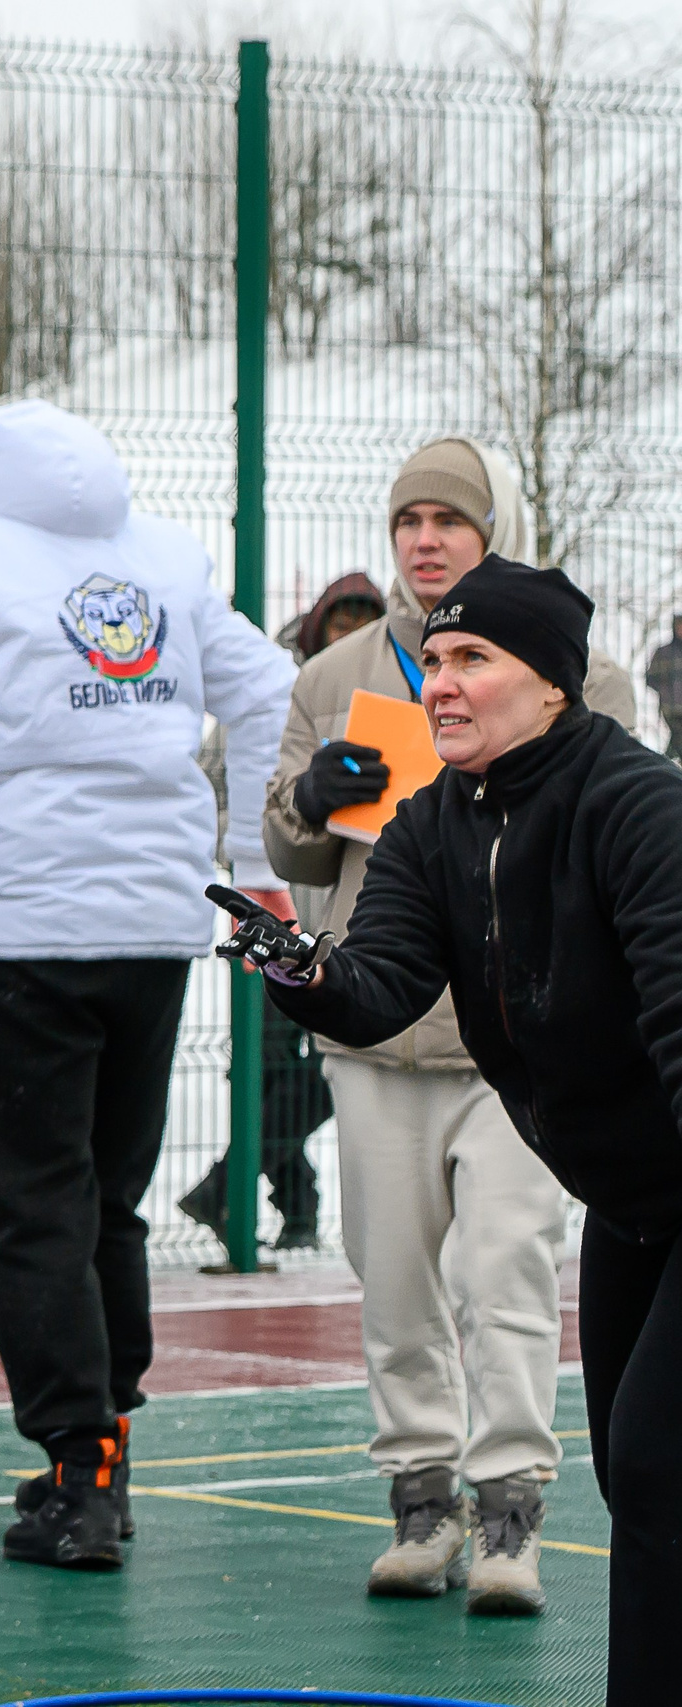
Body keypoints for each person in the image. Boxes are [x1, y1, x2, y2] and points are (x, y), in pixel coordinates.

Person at [225, 561, 682, 1698]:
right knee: (640, 1482)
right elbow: (381, 980)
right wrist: (307, 972)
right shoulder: (434, 821)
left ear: (554, 685)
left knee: (654, 1458)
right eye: (432, 658)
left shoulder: (639, 808)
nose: (439, 682)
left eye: (473, 659)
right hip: (635, 1201)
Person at [0, 400, 294, 1570]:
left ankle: (76, 1463)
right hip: (154, 917)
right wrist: (251, 860)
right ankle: (105, 1442)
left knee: (30, 1198)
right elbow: (268, 686)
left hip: (21, 920)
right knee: (108, 1195)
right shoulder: (163, 555)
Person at [259, 439, 632, 1608]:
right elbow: (286, 841)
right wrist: (310, 800)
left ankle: (510, 1502)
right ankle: (421, 1493)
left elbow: (611, 826)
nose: (425, 540)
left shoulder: (582, 672)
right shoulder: (336, 672)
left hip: (516, 1039)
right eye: (407, 520)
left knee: (503, 1265)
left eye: (449, 520)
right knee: (392, 1277)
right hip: (379, 1028)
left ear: (493, 531)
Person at [177, 570, 387, 1252]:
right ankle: (290, 1205)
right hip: (267, 910)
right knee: (263, 1062)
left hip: (349, 909)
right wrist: (253, 853)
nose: (351, 637)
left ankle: (231, 1188)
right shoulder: (277, 694)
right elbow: (208, 787)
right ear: (318, 628)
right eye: (341, 624)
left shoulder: (388, 693)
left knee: (329, 1059)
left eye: (364, 626)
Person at [645, 614, 682, 759]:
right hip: (671, 707)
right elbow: (650, 678)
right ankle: (667, 759)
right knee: (678, 735)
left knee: (677, 739)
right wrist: (665, 691)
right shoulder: (664, 652)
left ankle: (666, 760)